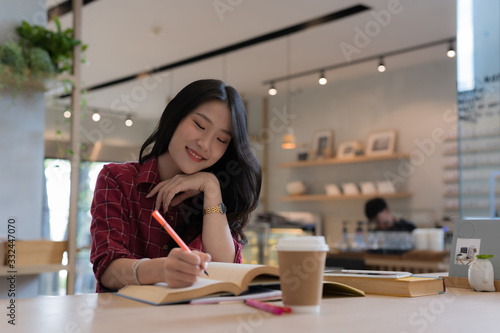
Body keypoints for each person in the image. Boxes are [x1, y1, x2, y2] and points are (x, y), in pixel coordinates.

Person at [90, 79, 262, 292]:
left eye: (221, 139)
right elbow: (107, 269)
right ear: (175, 116)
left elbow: (225, 271)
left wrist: (211, 187)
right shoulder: (117, 179)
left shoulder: (217, 194)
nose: (205, 144)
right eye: (199, 125)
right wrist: (161, 270)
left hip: (193, 323)